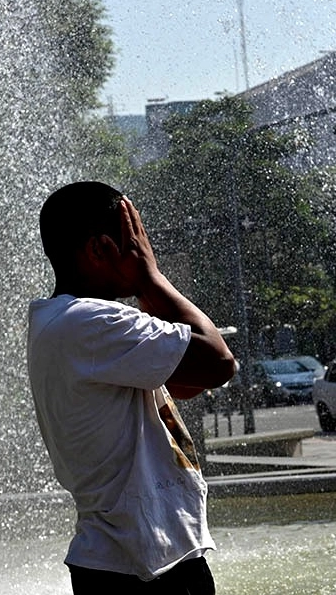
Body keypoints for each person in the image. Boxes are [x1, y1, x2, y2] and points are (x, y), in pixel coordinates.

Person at [27, 182, 237, 594]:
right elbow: (218, 362)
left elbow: (184, 382)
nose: (143, 253)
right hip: (140, 566)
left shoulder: (71, 323)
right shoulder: (87, 321)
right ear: (100, 249)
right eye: (135, 243)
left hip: (138, 556)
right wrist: (152, 280)